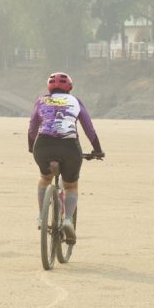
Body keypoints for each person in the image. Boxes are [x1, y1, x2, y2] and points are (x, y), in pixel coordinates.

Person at [27, 72, 104, 244]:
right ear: (70, 87)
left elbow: (32, 128)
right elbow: (89, 128)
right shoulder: (75, 101)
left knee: (45, 178)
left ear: (49, 88)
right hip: (69, 147)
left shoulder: (41, 101)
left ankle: (41, 217)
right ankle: (68, 219)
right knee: (71, 185)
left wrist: (32, 147)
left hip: (43, 146)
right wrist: (97, 150)